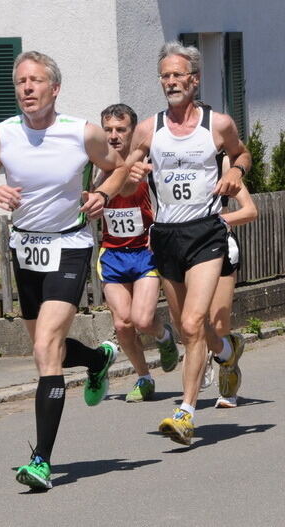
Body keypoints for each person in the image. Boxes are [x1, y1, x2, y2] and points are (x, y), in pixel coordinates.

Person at [0, 51, 130, 489]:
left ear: (54, 88)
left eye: (35, 81)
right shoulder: (2, 135)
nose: (26, 88)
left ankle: (41, 459)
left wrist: (104, 195)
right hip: (25, 248)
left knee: (46, 346)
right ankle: (98, 358)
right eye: (21, 81)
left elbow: (118, 169)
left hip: (68, 245)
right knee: (47, 351)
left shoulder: (81, 132)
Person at [125, 42, 251, 446]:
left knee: (195, 322)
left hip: (206, 232)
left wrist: (235, 172)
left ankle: (186, 411)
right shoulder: (149, 128)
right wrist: (131, 172)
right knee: (185, 329)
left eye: (178, 75)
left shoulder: (218, 124)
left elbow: (242, 153)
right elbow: (129, 171)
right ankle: (227, 350)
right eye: (165, 76)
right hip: (166, 235)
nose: (171, 82)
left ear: (194, 80)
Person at [94, 103, 180, 403]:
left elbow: (167, 202)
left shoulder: (147, 166)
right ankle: (144, 377)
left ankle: (164, 336)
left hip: (145, 253)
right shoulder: (98, 166)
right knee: (122, 323)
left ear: (132, 133)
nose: (114, 136)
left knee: (143, 320)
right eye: (108, 130)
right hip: (113, 255)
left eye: (121, 129)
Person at [209, 154, 258, 408]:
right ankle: (229, 347)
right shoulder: (169, 162)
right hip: (183, 248)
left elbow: (250, 210)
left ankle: (227, 382)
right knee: (188, 323)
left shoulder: (224, 166)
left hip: (220, 247)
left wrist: (215, 223)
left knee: (218, 322)